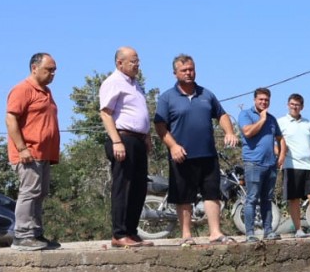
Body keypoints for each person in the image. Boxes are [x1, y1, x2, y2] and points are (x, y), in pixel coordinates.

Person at [153, 54, 239, 244]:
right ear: (175, 73)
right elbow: (160, 126)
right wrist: (173, 146)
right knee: (184, 197)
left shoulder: (207, 94)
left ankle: (215, 233)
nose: (188, 73)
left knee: (212, 193)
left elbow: (222, 115)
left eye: (191, 69)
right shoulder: (167, 97)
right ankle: (186, 235)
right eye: (184, 70)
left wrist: (229, 132)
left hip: (208, 154)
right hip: (181, 156)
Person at [98, 46, 155, 248]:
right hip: (123, 139)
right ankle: (119, 233)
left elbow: (140, 113)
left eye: (138, 60)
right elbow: (105, 113)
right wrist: (116, 141)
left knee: (139, 188)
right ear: (119, 63)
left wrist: (147, 136)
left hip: (138, 140)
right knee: (123, 186)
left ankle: (131, 232)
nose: (136, 64)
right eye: (132, 61)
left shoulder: (135, 85)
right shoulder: (113, 82)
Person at [5, 52, 61, 251]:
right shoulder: (22, 89)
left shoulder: (45, 91)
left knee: (40, 192)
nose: (53, 74)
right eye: (49, 69)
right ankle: (22, 235)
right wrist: (22, 148)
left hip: (43, 154)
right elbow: (11, 119)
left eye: (54, 70)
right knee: (30, 192)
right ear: (34, 68)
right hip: (28, 152)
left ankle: (35, 234)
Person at [237, 87, 283, 241]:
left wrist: (281, 155)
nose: (264, 102)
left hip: (270, 165)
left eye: (266, 100)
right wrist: (262, 119)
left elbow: (280, 138)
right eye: (261, 99)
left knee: (267, 199)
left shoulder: (272, 119)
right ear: (254, 100)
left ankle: (268, 231)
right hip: (253, 163)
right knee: (252, 198)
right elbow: (248, 132)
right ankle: (250, 233)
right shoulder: (246, 114)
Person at [277, 93, 310, 237]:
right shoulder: (281, 122)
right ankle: (298, 230)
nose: (294, 107)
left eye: (297, 105)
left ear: (302, 107)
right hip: (291, 166)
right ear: (288, 105)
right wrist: (280, 156)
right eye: (292, 104)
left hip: (309, 166)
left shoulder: (308, 123)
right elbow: (276, 144)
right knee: (294, 198)